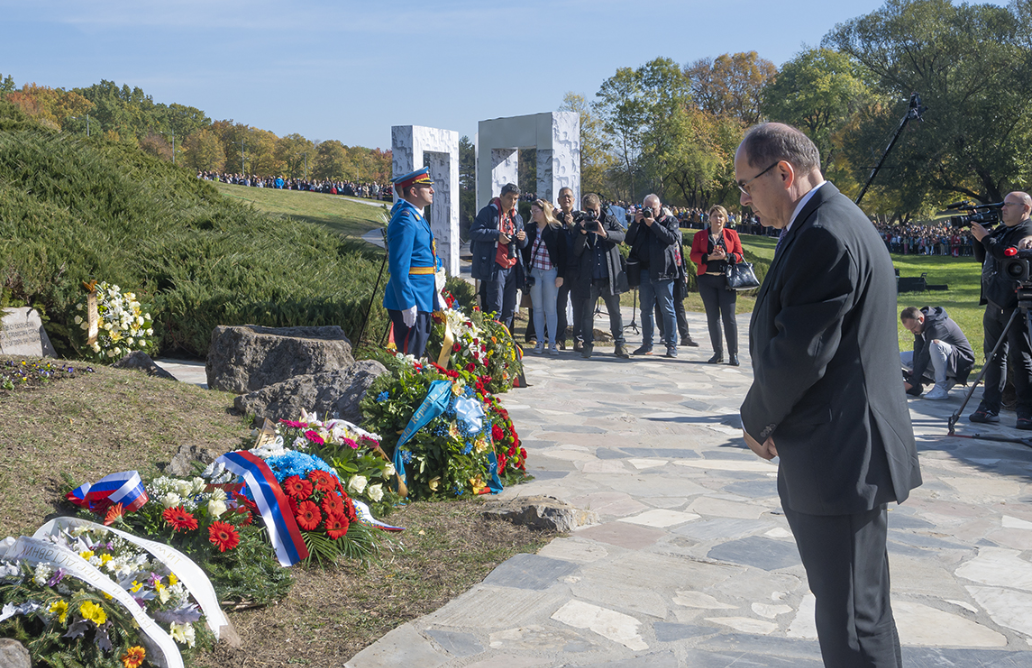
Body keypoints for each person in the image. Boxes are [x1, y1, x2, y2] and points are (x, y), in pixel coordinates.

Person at [736, 122, 922, 668]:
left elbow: (801, 351)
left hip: (841, 457)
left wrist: (756, 420)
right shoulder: (827, 220)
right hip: (838, 451)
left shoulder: (825, 231)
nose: (744, 200)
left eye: (747, 185)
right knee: (857, 613)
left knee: (852, 625)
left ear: (785, 173)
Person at [968, 191, 1032, 428]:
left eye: (1008, 205)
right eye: (1003, 205)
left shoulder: (1026, 231)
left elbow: (1008, 256)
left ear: (1024, 209)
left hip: (1015, 303)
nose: (1003, 209)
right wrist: (978, 233)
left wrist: (986, 238)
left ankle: (1026, 412)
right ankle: (989, 407)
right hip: (994, 302)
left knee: (1021, 358)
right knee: (993, 357)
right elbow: (981, 256)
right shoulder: (1002, 230)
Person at [383, 167, 443, 358]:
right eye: (427, 187)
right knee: (409, 356)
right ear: (414, 192)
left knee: (416, 352)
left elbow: (425, 254)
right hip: (412, 297)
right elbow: (399, 267)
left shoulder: (416, 216)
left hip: (422, 295)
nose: (432, 191)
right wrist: (407, 302)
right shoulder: (406, 219)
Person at [573, 193, 630, 359]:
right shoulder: (580, 223)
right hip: (590, 278)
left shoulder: (610, 220)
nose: (593, 214)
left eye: (595, 210)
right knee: (587, 313)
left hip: (609, 277)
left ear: (600, 206)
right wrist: (583, 232)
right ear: (584, 209)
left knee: (615, 312)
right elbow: (576, 251)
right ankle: (587, 345)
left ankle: (620, 344)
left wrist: (604, 233)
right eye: (589, 210)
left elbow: (622, 237)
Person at [626, 194, 681, 358]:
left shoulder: (670, 221)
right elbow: (629, 240)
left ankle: (671, 345)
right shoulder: (640, 222)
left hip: (664, 273)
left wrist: (653, 224)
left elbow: (671, 239)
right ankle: (646, 343)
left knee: (667, 309)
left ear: (660, 206)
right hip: (644, 271)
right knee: (645, 309)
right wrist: (636, 223)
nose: (650, 211)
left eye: (653, 208)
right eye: (647, 208)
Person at [690, 205, 744, 365]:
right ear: (710, 218)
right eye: (715, 216)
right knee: (713, 318)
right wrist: (708, 257)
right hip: (707, 281)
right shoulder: (700, 235)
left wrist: (726, 256)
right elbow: (693, 255)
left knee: (729, 318)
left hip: (726, 281)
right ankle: (717, 353)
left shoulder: (732, 234)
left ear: (725, 219)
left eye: (721, 216)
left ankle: (733, 354)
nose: (718, 219)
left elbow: (740, 254)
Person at [470, 183, 527, 331]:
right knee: (496, 307)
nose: (512, 202)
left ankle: (505, 342)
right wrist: (497, 236)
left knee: (509, 309)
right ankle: (493, 342)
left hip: (512, 266)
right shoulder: (489, 212)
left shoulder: (517, 217)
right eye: (509, 198)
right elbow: (475, 232)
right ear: (501, 197)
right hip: (495, 265)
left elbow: (524, 244)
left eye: (515, 199)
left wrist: (523, 237)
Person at [520, 200, 567, 355]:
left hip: (550, 272)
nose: (533, 214)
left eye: (536, 211)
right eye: (532, 211)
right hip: (535, 272)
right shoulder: (530, 228)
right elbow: (525, 250)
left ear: (544, 211)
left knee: (550, 309)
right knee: (537, 309)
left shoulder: (555, 228)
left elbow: (563, 253)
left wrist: (561, 275)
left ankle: (552, 342)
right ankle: (539, 341)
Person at [900, 306, 974, 400]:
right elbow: (919, 349)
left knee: (935, 344)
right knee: (899, 357)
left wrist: (912, 381)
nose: (912, 332)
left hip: (960, 364)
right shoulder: (920, 324)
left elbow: (925, 355)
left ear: (921, 319)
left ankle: (941, 388)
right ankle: (916, 386)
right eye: (909, 329)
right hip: (944, 360)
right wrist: (915, 373)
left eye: (913, 328)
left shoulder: (937, 325)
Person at [555, 187, 582, 351]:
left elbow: (582, 237)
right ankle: (560, 338)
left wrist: (571, 224)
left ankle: (578, 339)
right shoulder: (554, 219)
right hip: (561, 270)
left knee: (578, 305)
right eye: (563, 196)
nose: (566, 198)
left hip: (578, 268)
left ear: (573, 200)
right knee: (560, 305)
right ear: (558, 201)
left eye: (569, 196)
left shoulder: (580, 217)